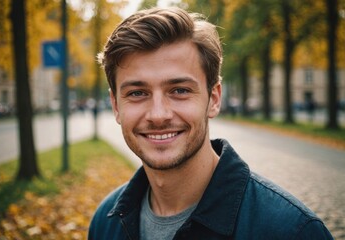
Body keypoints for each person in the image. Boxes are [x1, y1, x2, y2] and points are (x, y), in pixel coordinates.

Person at [88, 7, 333, 240]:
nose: (158, 115)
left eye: (180, 90)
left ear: (214, 99)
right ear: (116, 105)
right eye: (137, 93)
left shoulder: (290, 231)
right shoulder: (105, 222)